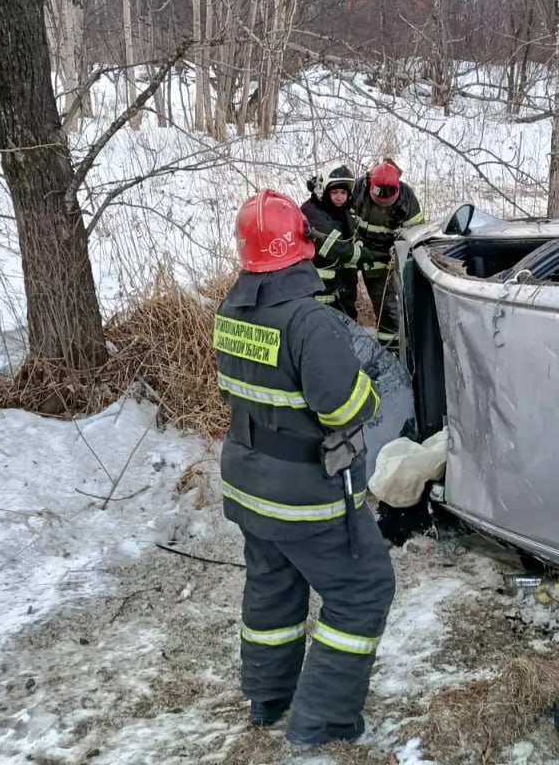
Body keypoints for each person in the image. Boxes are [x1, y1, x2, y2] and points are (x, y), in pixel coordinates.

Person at [214, 189, 396, 747]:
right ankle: (323, 720)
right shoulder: (311, 323)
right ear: (302, 247)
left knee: (273, 587)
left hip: (248, 484)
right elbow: (344, 409)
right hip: (305, 495)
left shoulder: (231, 310)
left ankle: (270, 700)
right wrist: (366, 384)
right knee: (363, 589)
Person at [352, 158, 425, 351]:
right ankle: (346, 343)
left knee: (386, 308)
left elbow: (416, 233)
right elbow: (343, 217)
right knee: (344, 298)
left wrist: (399, 250)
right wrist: (353, 240)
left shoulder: (407, 197)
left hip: (382, 258)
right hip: (354, 251)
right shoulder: (358, 188)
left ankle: (390, 351)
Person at [300, 161, 363, 321]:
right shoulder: (312, 210)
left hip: (343, 288)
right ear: (325, 191)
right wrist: (367, 255)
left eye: (343, 192)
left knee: (347, 326)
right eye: (334, 192)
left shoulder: (345, 211)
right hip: (319, 288)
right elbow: (335, 247)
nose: (339, 197)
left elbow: (355, 235)